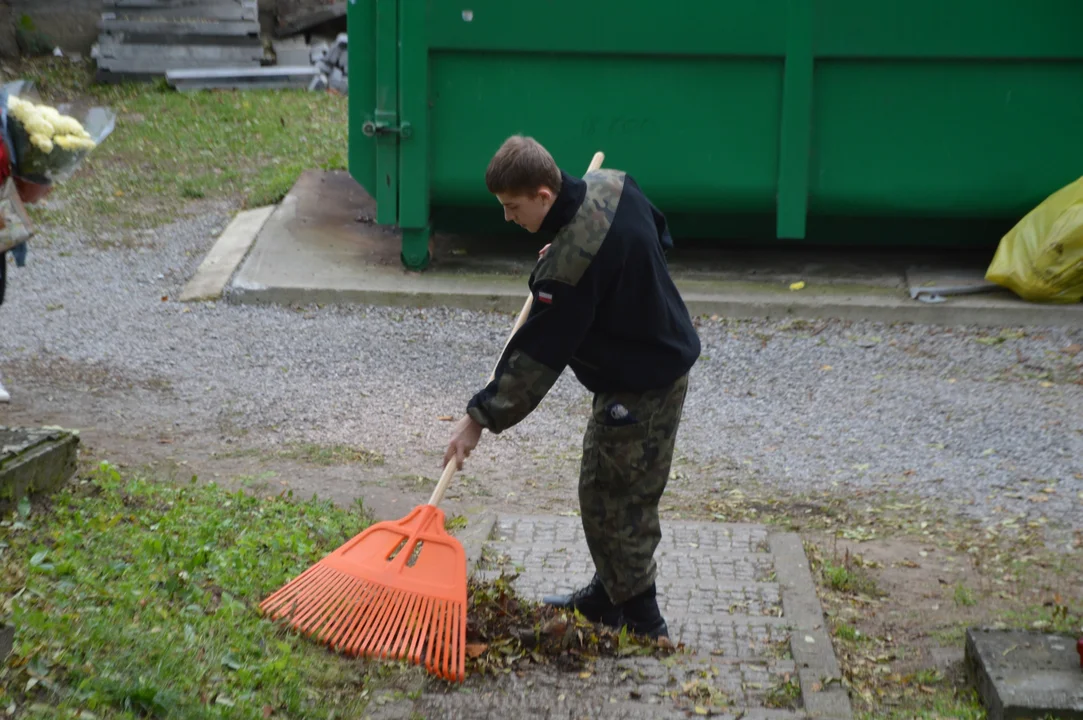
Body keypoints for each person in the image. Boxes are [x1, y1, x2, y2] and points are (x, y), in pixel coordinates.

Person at [443, 135, 701, 640]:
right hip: (660, 356)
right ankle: (610, 596)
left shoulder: (569, 267)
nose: (507, 218)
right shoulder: (613, 184)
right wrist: (585, 253)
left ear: (543, 193)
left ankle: (646, 623)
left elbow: (536, 361)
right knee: (614, 489)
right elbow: (657, 231)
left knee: (614, 499)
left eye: (513, 207)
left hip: (640, 384)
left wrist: (478, 418)